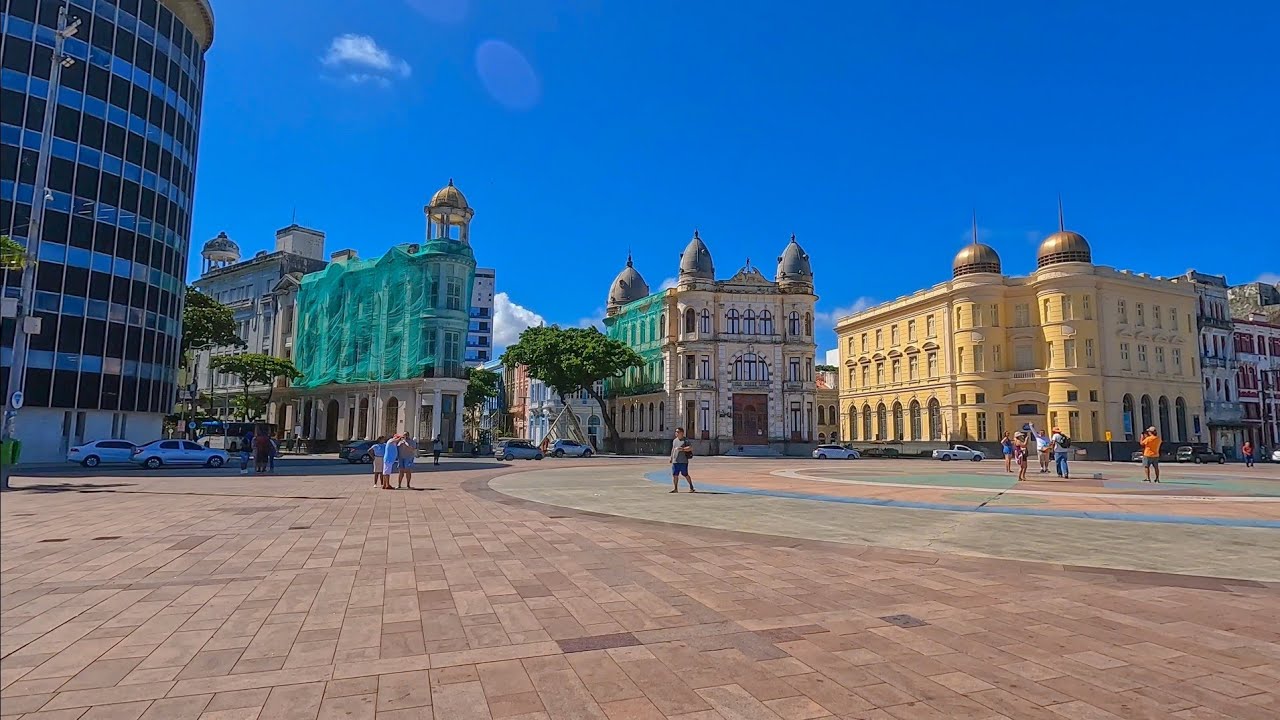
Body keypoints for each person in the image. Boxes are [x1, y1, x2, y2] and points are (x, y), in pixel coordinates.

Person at [669, 427, 696, 493]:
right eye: (676, 432)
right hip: (675, 461)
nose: (676, 433)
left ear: (682, 433)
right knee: (675, 475)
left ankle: (691, 486)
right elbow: (673, 449)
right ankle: (675, 488)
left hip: (683, 461)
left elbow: (691, 448)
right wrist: (671, 457)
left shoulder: (686, 440)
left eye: (678, 432)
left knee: (685, 474)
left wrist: (682, 449)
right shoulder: (675, 440)